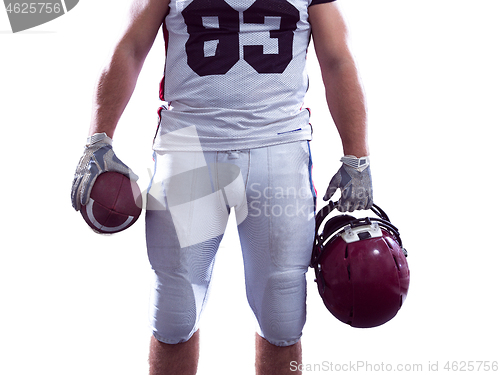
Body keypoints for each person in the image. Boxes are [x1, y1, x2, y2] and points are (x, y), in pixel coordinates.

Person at [71, 0, 373, 373]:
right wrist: (98, 138)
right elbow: (131, 46)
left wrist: (356, 155)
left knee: (282, 317)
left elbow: (337, 59)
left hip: (277, 147)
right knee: (175, 315)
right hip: (190, 149)